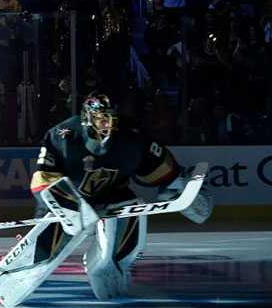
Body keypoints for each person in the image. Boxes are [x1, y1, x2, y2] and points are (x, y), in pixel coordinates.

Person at [19, 92, 212, 301]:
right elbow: (43, 180)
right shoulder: (62, 135)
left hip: (114, 196)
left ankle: (114, 267)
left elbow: (162, 169)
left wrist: (180, 187)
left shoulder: (133, 137)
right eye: (102, 118)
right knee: (50, 237)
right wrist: (65, 208)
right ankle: (28, 262)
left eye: (111, 118)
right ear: (87, 118)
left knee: (133, 213)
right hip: (73, 198)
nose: (108, 125)